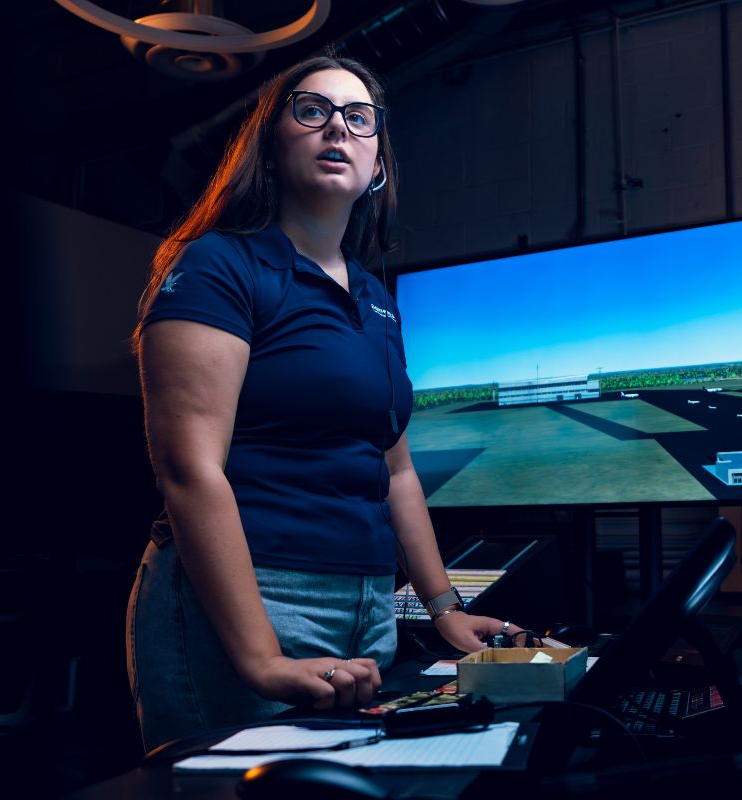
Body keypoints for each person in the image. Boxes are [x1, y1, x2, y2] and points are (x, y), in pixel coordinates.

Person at [125, 54, 512, 753]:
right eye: (313, 111)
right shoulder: (219, 264)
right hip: (252, 599)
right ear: (270, 148)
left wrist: (444, 607)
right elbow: (189, 469)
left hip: (367, 606)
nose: (338, 127)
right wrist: (259, 657)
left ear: (378, 163)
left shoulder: (375, 299)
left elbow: (394, 470)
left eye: (358, 118)